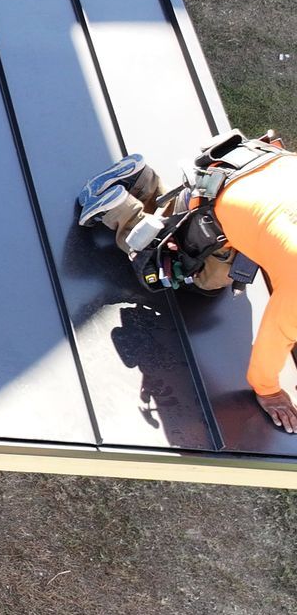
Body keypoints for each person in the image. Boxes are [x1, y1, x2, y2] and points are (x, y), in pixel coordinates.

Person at [79, 137, 297, 433]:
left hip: (258, 164)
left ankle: (145, 181)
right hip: (223, 198)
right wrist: (269, 391)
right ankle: (119, 208)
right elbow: (274, 339)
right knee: (201, 282)